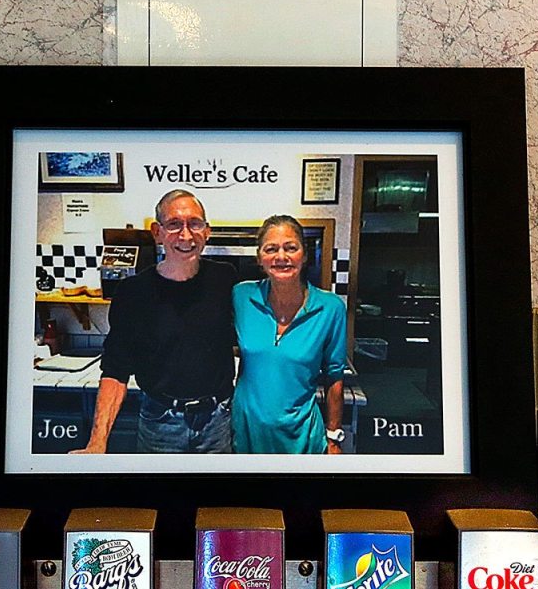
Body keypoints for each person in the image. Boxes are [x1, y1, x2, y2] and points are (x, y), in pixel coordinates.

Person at [77, 189, 237, 453]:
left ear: (207, 231)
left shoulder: (224, 278)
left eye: (195, 224)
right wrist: (97, 442)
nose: (186, 235)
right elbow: (115, 372)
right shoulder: (133, 292)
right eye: (174, 224)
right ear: (157, 232)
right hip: (159, 423)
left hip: (217, 422)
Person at [231, 214, 348, 454]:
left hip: (302, 435)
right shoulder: (241, 296)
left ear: (304, 255)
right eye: (271, 249)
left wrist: (333, 436)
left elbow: (334, 377)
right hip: (245, 432)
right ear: (259, 258)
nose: (281, 257)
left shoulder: (330, 308)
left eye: (290, 248)